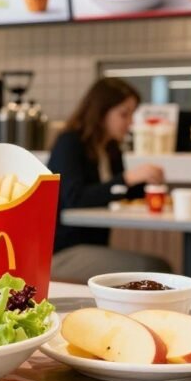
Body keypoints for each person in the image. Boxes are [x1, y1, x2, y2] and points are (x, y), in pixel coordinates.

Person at [47, 78, 172, 281]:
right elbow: (74, 198)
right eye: (124, 114)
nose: (130, 122)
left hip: (92, 246)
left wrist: (146, 184)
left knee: (157, 268)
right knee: (155, 268)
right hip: (61, 250)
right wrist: (127, 178)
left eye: (132, 114)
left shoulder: (111, 149)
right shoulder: (69, 143)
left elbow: (116, 192)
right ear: (100, 112)